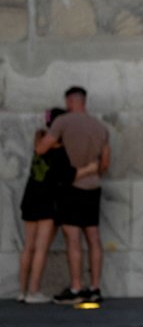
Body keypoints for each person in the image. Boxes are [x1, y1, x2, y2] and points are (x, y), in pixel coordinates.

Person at [36, 87, 110, 305]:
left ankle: (76, 287)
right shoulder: (100, 127)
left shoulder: (63, 122)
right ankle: (95, 287)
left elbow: (41, 149)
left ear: (70, 101)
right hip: (93, 187)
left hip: (70, 187)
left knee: (73, 238)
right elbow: (105, 164)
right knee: (94, 237)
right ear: (84, 101)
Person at [18, 108, 98, 304]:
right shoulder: (59, 149)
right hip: (46, 202)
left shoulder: (40, 141)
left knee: (28, 247)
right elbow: (68, 176)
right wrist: (89, 169)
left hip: (29, 199)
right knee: (41, 249)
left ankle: (22, 291)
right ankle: (34, 292)